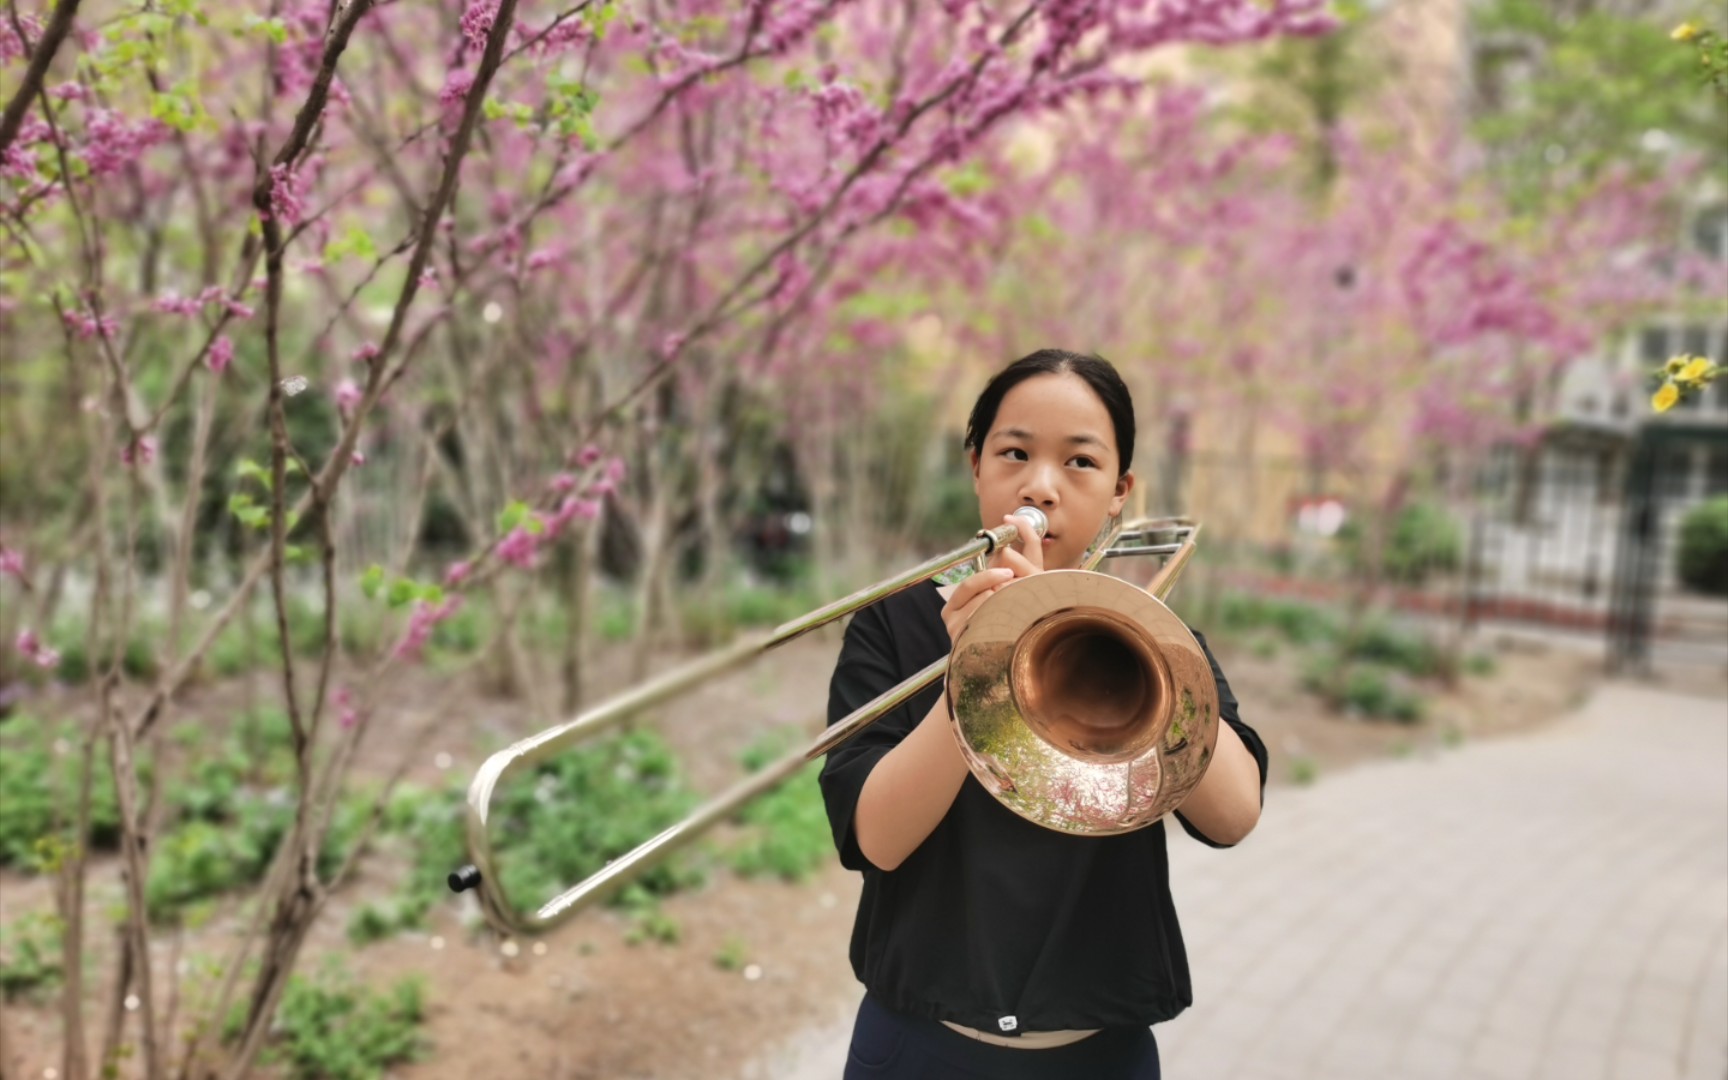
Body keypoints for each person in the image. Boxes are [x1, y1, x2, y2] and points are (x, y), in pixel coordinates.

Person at [819, 350, 1268, 1079]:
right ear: (976, 465)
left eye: (1080, 463)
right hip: (919, 1043)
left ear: (1122, 491)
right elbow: (877, 840)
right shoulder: (893, 625)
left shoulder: (1150, 634)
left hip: (1101, 1053)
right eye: (1015, 453)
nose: (1040, 486)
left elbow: (1235, 814)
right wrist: (975, 666)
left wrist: (1144, 648)